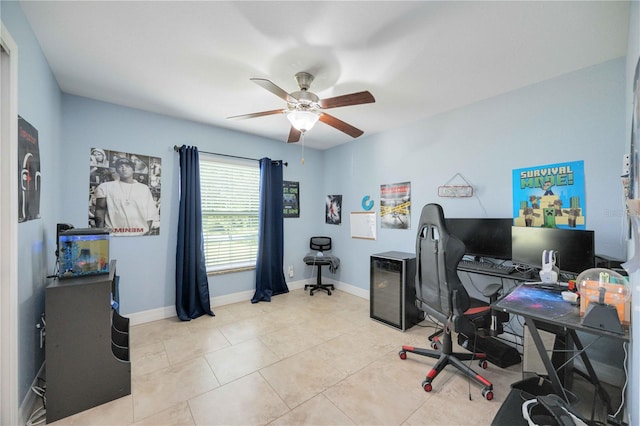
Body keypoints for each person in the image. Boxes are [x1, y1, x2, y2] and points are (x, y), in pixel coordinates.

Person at [94, 157, 159, 236]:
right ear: (117, 170)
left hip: (140, 235)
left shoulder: (144, 188)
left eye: (127, 166)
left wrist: (145, 233)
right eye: (120, 166)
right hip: (114, 235)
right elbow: (100, 211)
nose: (124, 169)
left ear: (133, 170)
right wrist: (101, 234)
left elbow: (150, 213)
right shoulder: (105, 187)